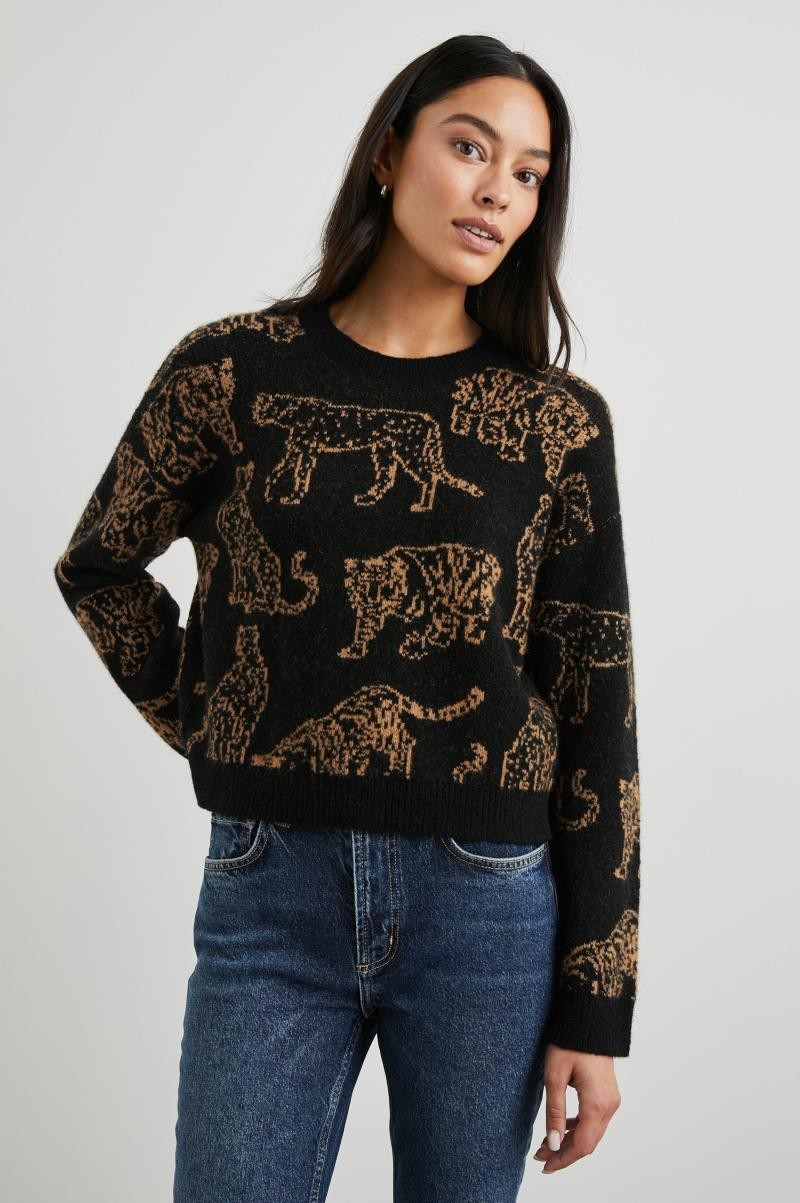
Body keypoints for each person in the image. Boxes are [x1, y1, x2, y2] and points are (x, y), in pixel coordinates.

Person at [53, 32, 641, 1201]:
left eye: (529, 173)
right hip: (269, 895)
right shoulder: (229, 373)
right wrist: (219, 723)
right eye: (468, 147)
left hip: (487, 905)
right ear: (387, 153)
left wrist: (597, 1002)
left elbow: (596, 701)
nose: (497, 191)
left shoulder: (553, 422)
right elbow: (99, 565)